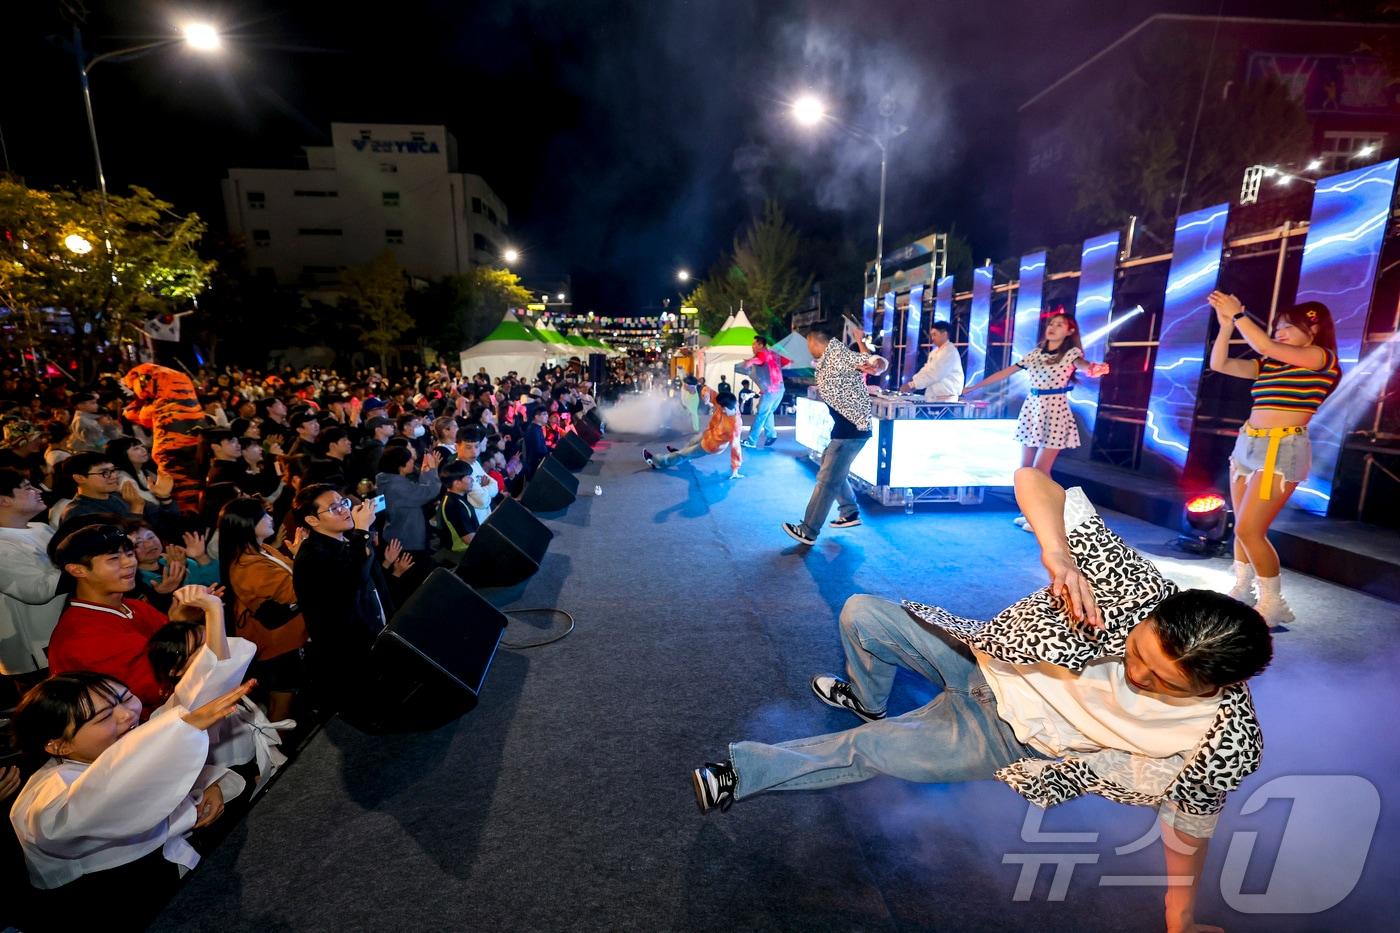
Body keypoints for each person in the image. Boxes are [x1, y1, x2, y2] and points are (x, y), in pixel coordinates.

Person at [692, 469, 1271, 933]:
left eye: (1164, 682)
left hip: (1006, 737)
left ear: (1212, 689)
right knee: (862, 613)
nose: (1136, 673)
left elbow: (1189, 828)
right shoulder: (1138, 586)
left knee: (873, 749)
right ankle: (868, 696)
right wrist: (1059, 553)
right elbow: (1031, 480)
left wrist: (1180, 918)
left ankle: (746, 773)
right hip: (987, 659)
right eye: (1139, 650)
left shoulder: (1223, 742)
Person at [7, 662, 253, 924]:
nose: (127, 714)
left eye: (125, 698)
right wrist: (182, 731)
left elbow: (148, 773)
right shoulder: (49, 790)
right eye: (103, 717)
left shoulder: (116, 747)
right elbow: (99, 803)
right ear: (59, 745)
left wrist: (209, 785)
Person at [1207, 292, 1341, 626]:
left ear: (1313, 330)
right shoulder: (1269, 363)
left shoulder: (1320, 357)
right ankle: (1243, 588)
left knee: (1250, 529)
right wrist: (1226, 326)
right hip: (1248, 444)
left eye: (1288, 327)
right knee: (1241, 527)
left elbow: (1264, 344)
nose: (1279, 332)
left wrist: (1239, 316)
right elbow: (1219, 365)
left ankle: (1273, 601)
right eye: (1278, 326)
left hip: (1282, 449)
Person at [45, 524, 217, 713]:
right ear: (78, 570)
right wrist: (186, 626)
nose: (129, 563)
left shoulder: (133, 606)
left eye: (129, 554)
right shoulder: (83, 635)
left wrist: (180, 623)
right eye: (114, 559)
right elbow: (157, 689)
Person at [962, 311, 1109, 530]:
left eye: (1059, 325)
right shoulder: (1035, 354)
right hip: (1032, 410)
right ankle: (1030, 513)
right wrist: (975, 387)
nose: (1053, 327)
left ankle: (1047, 517)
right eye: (1051, 323)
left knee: (1040, 470)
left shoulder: (1071, 354)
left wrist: (1095, 369)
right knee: (1025, 470)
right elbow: (1006, 372)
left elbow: (1085, 366)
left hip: (1055, 412)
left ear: (1070, 331)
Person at [782, 323, 887, 546]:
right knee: (829, 468)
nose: (808, 348)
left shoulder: (837, 353)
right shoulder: (828, 359)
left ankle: (808, 530)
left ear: (814, 340)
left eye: (808, 343)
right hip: (847, 428)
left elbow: (873, 362)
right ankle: (849, 511)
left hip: (850, 430)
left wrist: (875, 362)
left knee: (827, 480)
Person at [218, 496, 309, 724]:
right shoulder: (246, 566)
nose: (270, 518)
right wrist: (303, 555)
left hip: (287, 639)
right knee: (282, 707)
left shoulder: (263, 549)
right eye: (263, 516)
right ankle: (275, 748)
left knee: (288, 703)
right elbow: (296, 590)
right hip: (277, 646)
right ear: (246, 525)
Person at [0, 469, 64, 682]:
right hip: (37, 651)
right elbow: (39, 590)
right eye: (27, 488)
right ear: (4, 500)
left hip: (64, 633)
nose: (38, 490)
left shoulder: (40, 527)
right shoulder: (2, 544)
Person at [57, 451, 179, 527]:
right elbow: (118, 545)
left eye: (113, 470)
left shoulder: (119, 496)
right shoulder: (77, 513)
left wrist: (165, 498)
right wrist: (136, 509)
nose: (114, 476)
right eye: (105, 473)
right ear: (79, 478)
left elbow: (167, 524)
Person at [643, 388, 744, 479]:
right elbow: (708, 390)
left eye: (719, 407)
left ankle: (657, 462)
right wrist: (706, 395)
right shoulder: (728, 402)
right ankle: (684, 454)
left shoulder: (735, 425)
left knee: (683, 454)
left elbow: (736, 447)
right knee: (692, 441)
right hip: (708, 433)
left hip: (711, 445)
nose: (716, 407)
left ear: (724, 408)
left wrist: (735, 468)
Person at [375, 447, 441, 556]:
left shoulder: (388, 480)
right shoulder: (397, 486)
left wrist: (426, 471)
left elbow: (419, 490)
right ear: (400, 466)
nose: (412, 461)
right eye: (409, 459)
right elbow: (429, 492)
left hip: (398, 534)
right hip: (406, 540)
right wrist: (432, 469)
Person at [740, 335, 791, 449]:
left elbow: (760, 360)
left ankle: (751, 441)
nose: (752, 347)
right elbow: (788, 363)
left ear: (761, 345)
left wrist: (750, 362)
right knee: (768, 412)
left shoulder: (761, 354)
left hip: (771, 390)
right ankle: (771, 435)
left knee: (761, 414)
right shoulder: (774, 354)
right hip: (780, 388)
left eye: (754, 344)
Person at [899, 320, 964, 401]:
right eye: (931, 335)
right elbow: (926, 370)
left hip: (946, 398)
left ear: (944, 334)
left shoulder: (949, 351)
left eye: (934, 334)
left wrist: (913, 384)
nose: (932, 338)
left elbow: (936, 373)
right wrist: (913, 382)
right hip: (934, 397)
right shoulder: (934, 352)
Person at [435, 460, 479, 557]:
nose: (472, 480)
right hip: (463, 553)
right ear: (457, 483)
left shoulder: (456, 498)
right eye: (468, 477)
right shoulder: (454, 505)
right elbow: (469, 539)